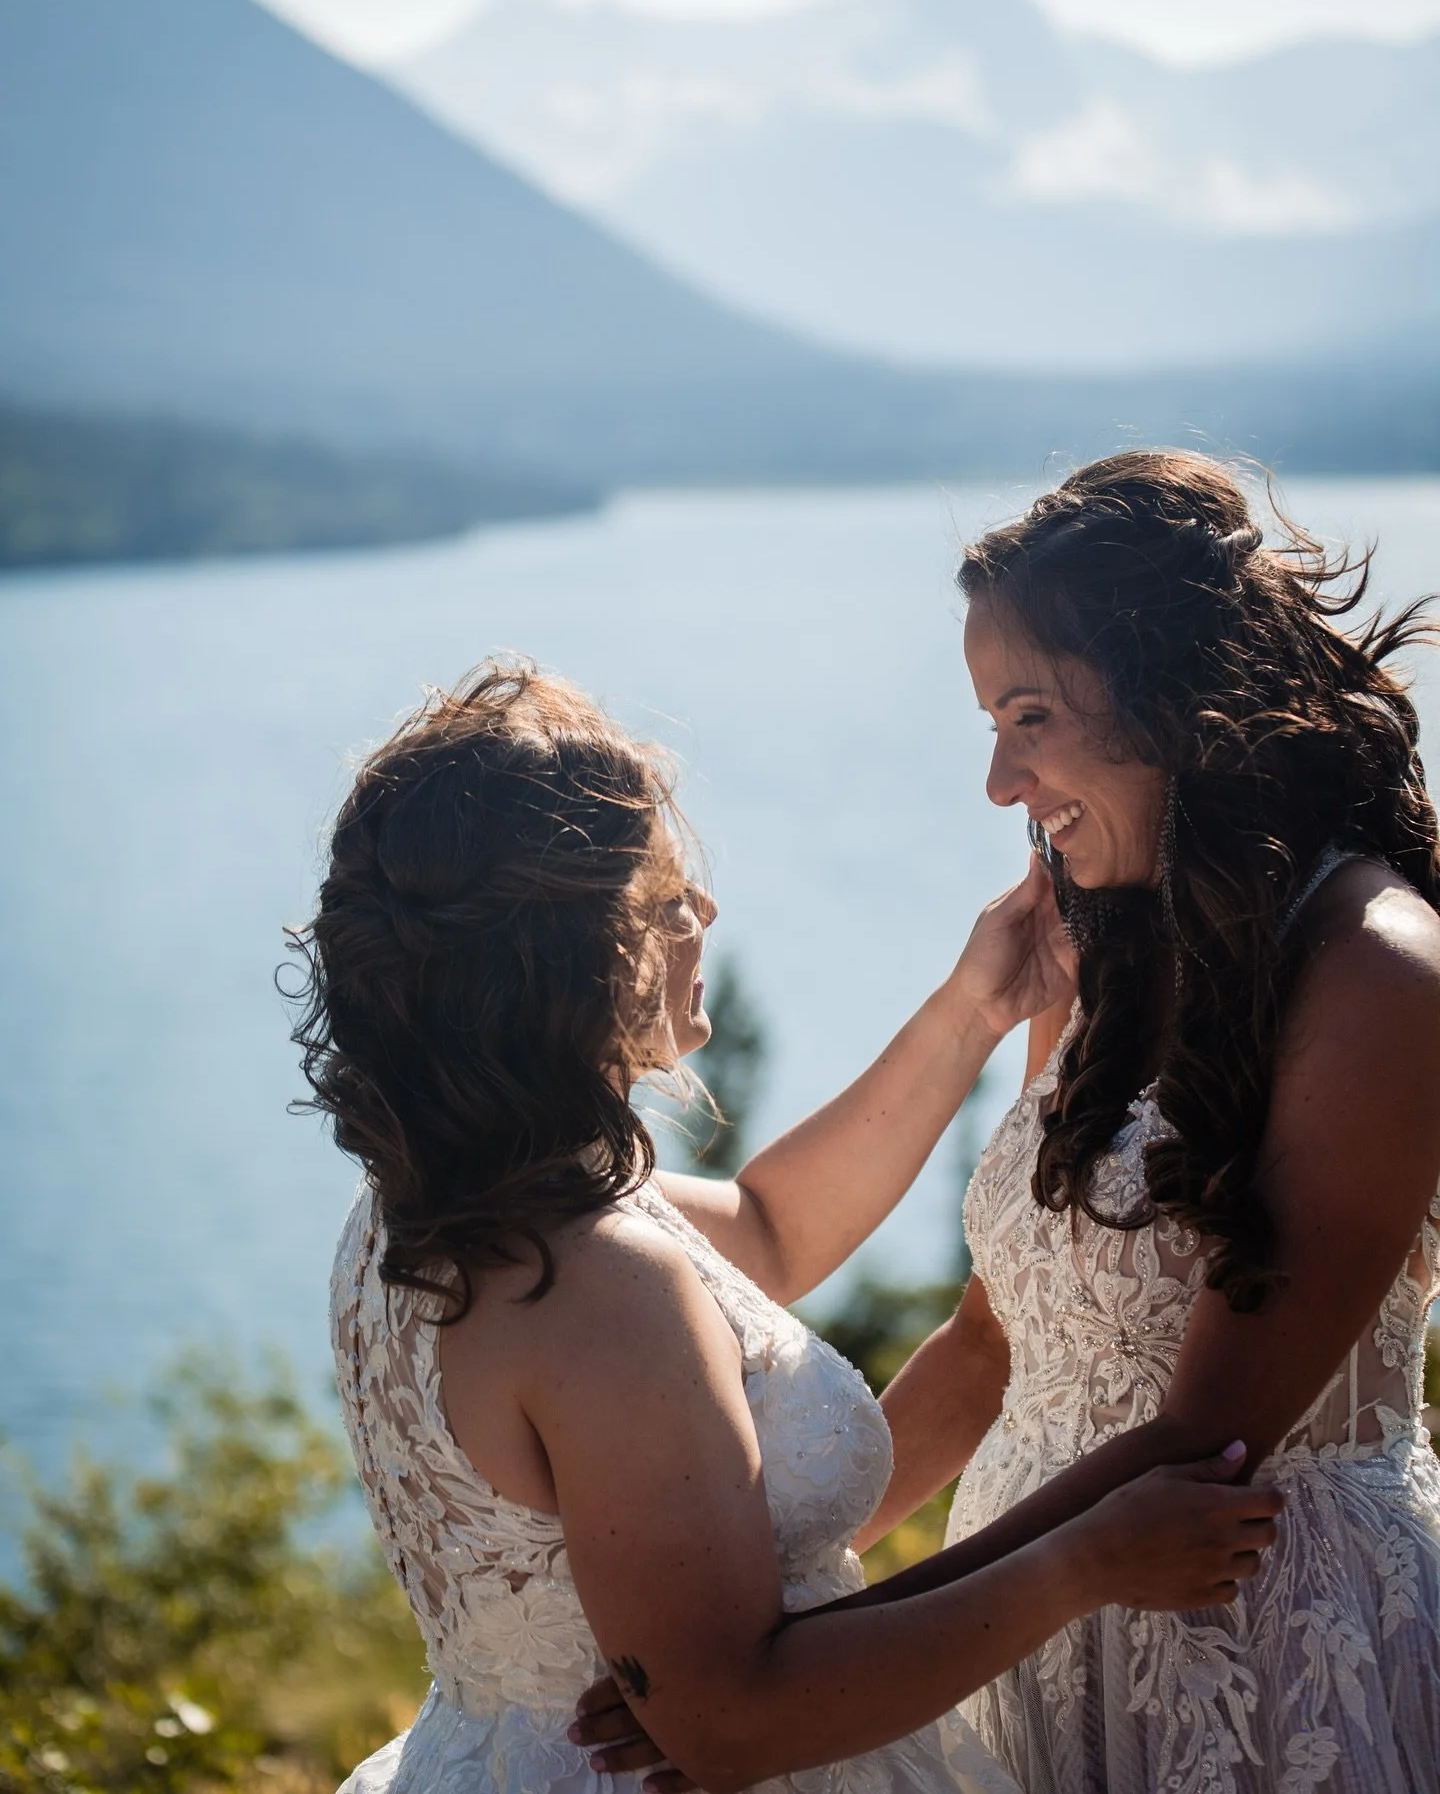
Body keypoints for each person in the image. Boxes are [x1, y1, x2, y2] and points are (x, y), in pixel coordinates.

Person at [291, 659, 1279, 1794]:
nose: (701, 912)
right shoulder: (599, 1286)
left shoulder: (423, 1217)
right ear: (574, 955)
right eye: (665, 890)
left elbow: (767, 1229)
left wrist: (976, 1008)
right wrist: (1081, 1566)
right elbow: (732, 1723)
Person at [860, 452, 1440, 1791]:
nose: (1002, 784)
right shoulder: (1105, 955)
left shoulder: (1378, 971)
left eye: (1029, 718)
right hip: (1027, 1647)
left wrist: (842, 1649)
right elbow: (987, 1346)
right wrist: (773, 1568)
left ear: (1174, 699)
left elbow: (1208, 1438)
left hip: (1273, 1666)